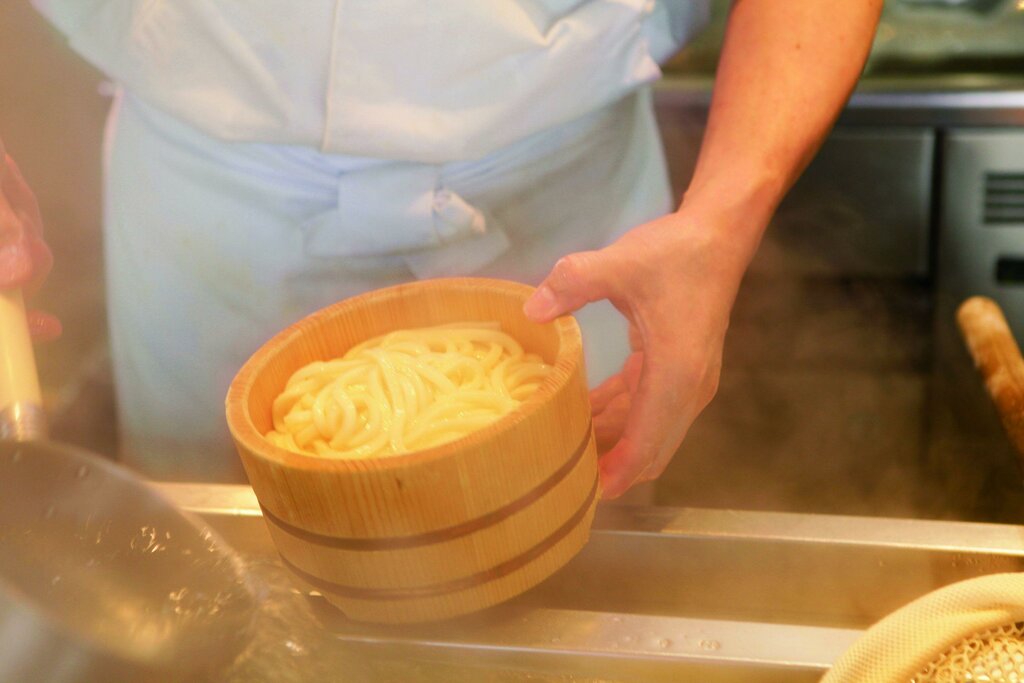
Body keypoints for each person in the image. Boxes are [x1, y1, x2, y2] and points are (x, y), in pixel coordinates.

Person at [2, 1, 882, 495]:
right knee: (226, 612)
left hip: (568, 218)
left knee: (563, 594)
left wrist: (720, 218)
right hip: (209, 221)